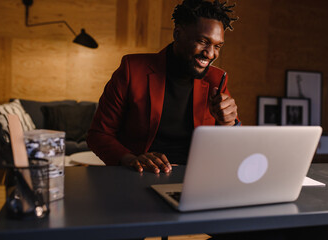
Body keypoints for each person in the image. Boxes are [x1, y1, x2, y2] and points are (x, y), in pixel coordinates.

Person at [87, 0, 241, 174]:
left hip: (196, 176)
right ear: (178, 34)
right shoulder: (132, 69)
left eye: (217, 46)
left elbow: (228, 147)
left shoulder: (217, 79)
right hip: (139, 176)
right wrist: (131, 160)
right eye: (203, 41)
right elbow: (98, 135)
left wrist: (228, 123)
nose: (211, 53)